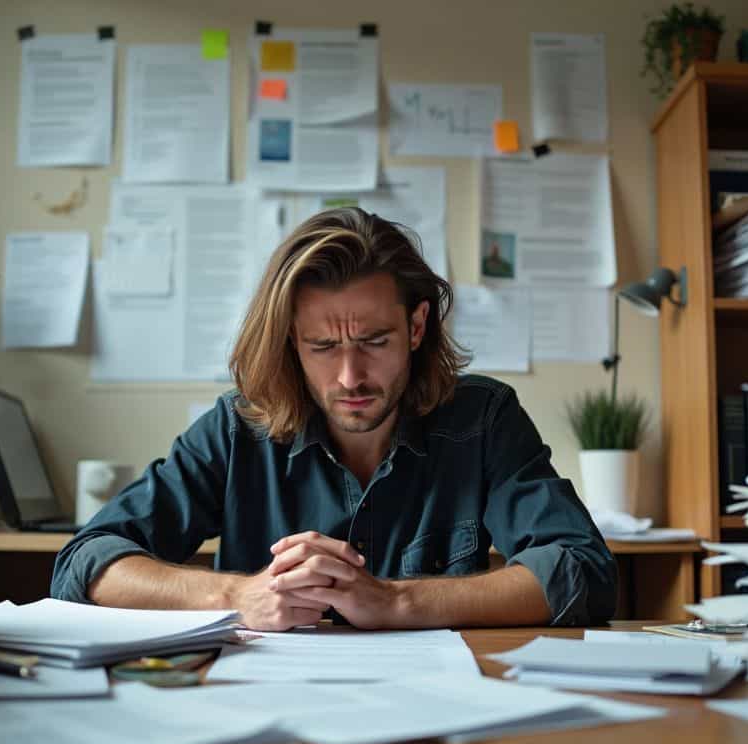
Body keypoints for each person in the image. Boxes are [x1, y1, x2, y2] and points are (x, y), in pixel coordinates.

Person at [51, 208, 616, 630]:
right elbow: (87, 562)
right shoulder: (235, 428)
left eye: (374, 340)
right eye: (322, 346)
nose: (350, 377)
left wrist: (395, 602)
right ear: (292, 341)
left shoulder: (483, 420)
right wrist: (236, 597)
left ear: (417, 328)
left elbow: (582, 570)